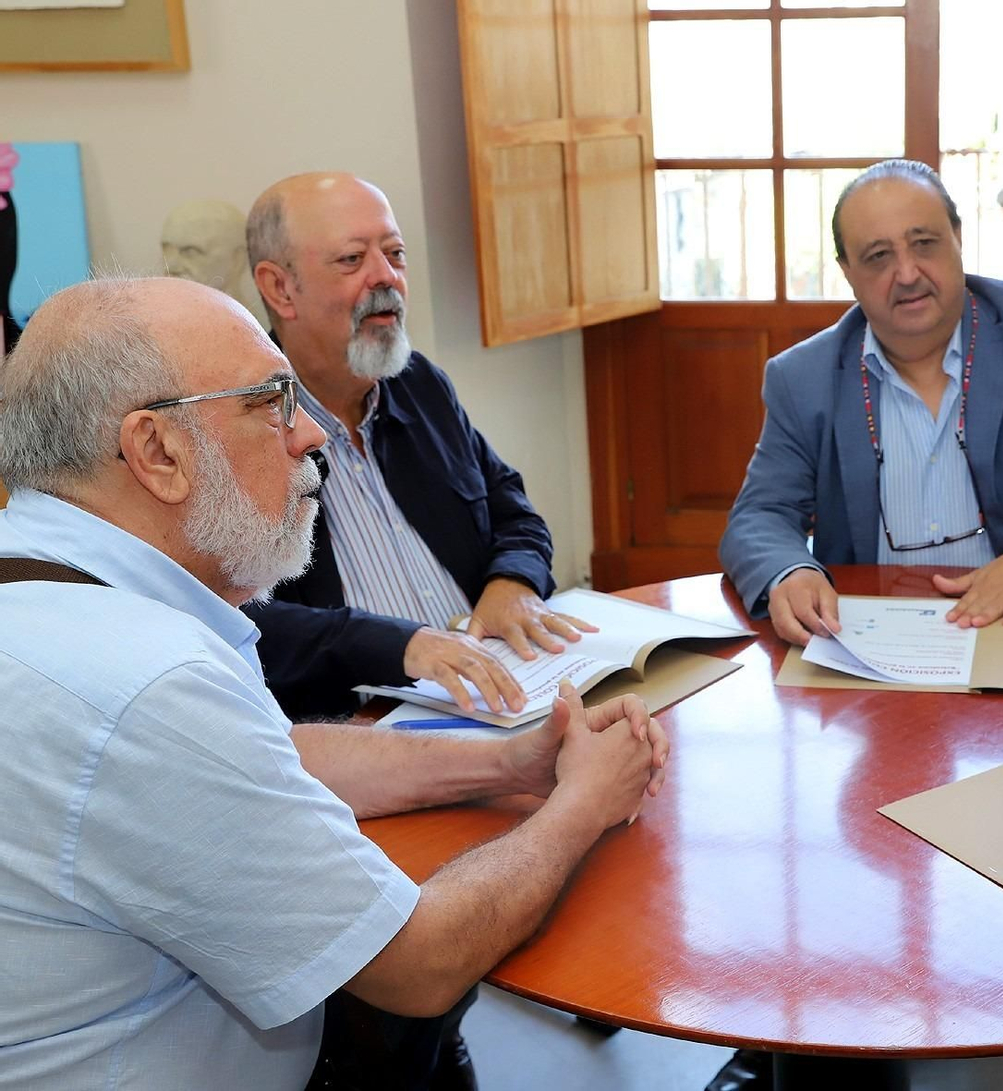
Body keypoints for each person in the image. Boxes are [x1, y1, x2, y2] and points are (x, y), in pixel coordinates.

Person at [0, 275, 668, 1091]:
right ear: (157, 451)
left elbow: (274, 757)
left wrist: (517, 763)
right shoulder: (146, 685)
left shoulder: (51, 590)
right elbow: (419, 962)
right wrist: (583, 804)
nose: (311, 433)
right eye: (272, 400)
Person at [718, 158, 1003, 648]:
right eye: (878, 256)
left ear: (957, 239)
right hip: (870, 640)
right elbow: (758, 518)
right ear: (847, 273)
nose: (906, 272)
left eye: (924, 244)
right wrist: (790, 572)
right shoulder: (804, 378)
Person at [242, 172, 589, 721]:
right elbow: (241, 619)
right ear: (280, 288)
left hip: (496, 695)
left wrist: (513, 581)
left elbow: (511, 508)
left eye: (396, 254)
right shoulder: (240, 426)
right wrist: (400, 647)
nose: (387, 279)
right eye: (352, 260)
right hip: (357, 725)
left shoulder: (419, 384)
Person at [160, 197, 268, 327]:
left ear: (237, 260)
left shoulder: (240, 327)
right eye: (167, 250)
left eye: (190, 251)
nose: (171, 266)